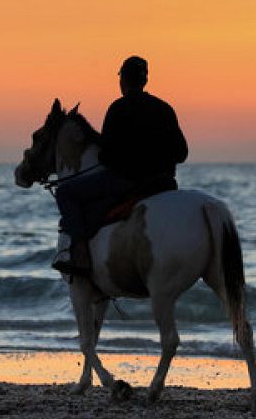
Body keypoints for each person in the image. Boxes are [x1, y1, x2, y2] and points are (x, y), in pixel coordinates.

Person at [52, 56, 188, 275]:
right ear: (145, 80)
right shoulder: (165, 109)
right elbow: (182, 153)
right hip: (164, 184)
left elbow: (108, 157)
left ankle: (79, 253)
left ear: (123, 80)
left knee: (65, 192)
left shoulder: (118, 108)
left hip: (127, 183)